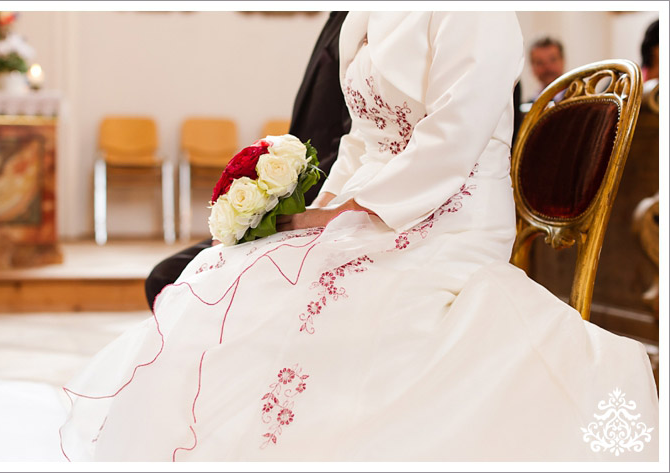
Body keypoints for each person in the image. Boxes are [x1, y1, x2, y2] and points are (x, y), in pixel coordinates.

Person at [60, 12, 658, 461]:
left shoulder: (478, 11)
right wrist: (314, 211)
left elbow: (451, 140)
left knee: (337, 305)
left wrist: (355, 211)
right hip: (372, 194)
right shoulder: (368, 10)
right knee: (245, 271)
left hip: (452, 212)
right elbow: (359, 141)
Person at [144, 12, 351, 311]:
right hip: (303, 197)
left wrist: (280, 215)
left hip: (323, 201)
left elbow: (350, 146)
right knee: (165, 279)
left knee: (170, 280)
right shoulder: (339, 17)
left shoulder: (364, 21)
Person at [528, 36, 566, 102]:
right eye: (539, 62)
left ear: (563, 61)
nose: (547, 67)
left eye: (552, 60)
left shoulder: (582, 101)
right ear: (532, 67)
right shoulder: (527, 108)